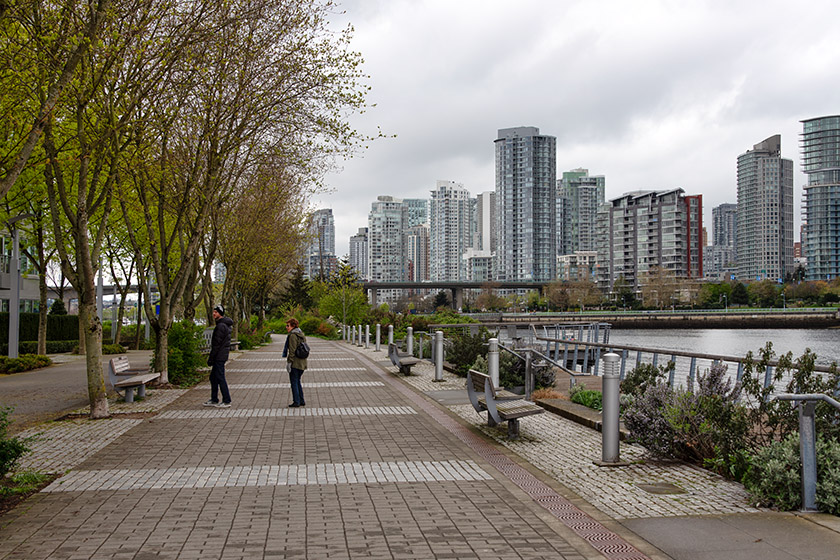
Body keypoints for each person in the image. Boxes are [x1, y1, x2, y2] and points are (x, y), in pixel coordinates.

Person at [204, 305, 233, 408]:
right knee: (213, 377)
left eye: (215, 312)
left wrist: (211, 358)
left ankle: (226, 400)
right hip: (221, 355)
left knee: (220, 377)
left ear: (220, 313)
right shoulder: (224, 325)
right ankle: (214, 398)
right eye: (213, 312)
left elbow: (216, 344)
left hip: (219, 356)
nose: (213, 314)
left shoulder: (221, 326)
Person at [285, 317, 308, 407]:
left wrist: (289, 362)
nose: (286, 327)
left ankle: (296, 401)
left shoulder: (293, 336)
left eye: (288, 326)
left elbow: (292, 350)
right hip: (302, 362)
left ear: (293, 326)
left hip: (295, 362)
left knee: (294, 382)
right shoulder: (301, 334)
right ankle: (301, 400)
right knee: (297, 381)